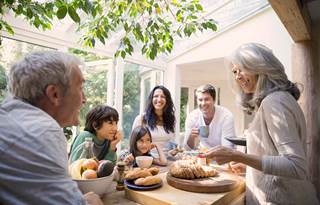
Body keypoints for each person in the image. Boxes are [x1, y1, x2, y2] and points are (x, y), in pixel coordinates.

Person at [202, 43, 319, 205]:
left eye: (242, 68)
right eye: (234, 71)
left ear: (260, 66)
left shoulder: (274, 102)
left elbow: (296, 165)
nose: (237, 76)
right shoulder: (281, 98)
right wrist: (248, 165)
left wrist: (237, 155)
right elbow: (275, 157)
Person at [0, 51, 103, 205]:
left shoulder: (11, 117)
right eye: (80, 87)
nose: (85, 99)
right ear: (54, 94)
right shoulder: (41, 131)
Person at [183, 84, 235, 150]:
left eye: (207, 99)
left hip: (223, 156)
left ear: (214, 100)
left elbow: (228, 147)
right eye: (200, 100)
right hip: (203, 155)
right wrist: (191, 137)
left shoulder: (226, 116)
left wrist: (212, 155)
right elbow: (187, 149)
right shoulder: (192, 117)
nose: (203, 103)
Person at [132, 85, 176, 156]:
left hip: (167, 159)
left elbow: (171, 142)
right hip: (148, 159)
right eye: (156, 96)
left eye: (163, 97)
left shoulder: (171, 119)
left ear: (167, 100)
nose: (159, 99)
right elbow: (133, 144)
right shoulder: (141, 119)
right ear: (151, 99)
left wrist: (173, 151)